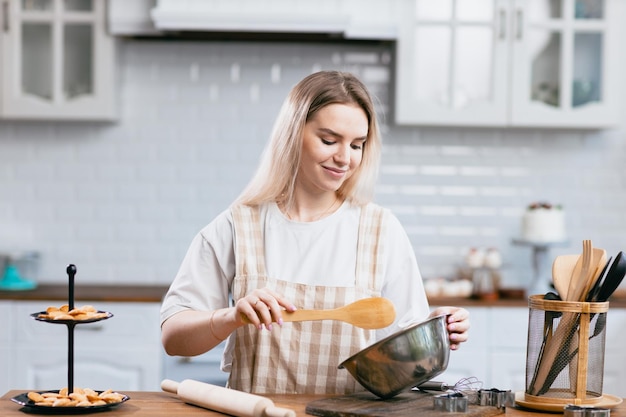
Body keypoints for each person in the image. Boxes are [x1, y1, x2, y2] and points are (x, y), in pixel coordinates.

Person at [160, 70, 470, 395]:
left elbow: (411, 359)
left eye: (357, 145)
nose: (344, 158)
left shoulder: (381, 230)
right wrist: (231, 317)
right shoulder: (237, 227)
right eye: (329, 140)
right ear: (294, 133)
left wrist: (438, 330)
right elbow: (173, 337)